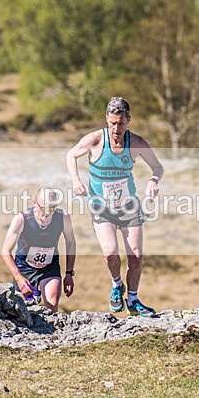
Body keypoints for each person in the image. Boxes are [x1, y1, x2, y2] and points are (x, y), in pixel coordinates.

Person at [66, 96, 164, 317]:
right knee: (110, 253)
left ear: (128, 120)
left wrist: (153, 181)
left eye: (120, 123)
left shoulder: (136, 143)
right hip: (102, 208)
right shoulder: (95, 140)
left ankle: (134, 299)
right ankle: (116, 284)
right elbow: (70, 155)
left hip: (129, 207)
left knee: (136, 256)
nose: (116, 129)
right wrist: (76, 180)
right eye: (112, 123)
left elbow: (158, 167)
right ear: (107, 120)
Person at [1, 187, 76, 313]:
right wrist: (19, 278)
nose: (46, 213)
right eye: (43, 208)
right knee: (23, 311)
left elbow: (71, 242)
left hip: (49, 267)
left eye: (51, 209)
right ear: (35, 203)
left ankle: (52, 331)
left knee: (52, 305)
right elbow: (5, 251)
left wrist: (69, 273)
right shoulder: (22, 219)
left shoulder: (63, 218)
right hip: (24, 268)